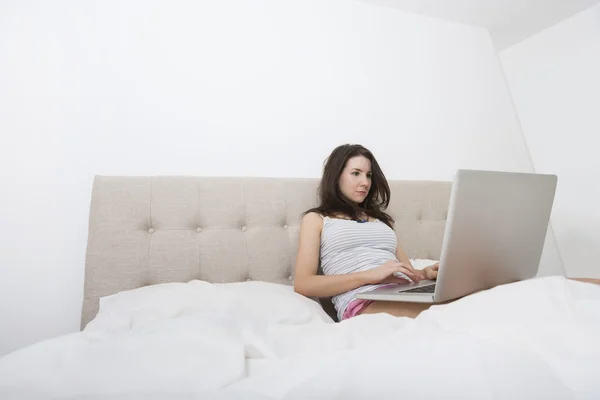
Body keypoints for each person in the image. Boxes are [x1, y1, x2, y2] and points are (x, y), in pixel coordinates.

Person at [293, 143, 600, 321]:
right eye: (356, 173)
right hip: (362, 301)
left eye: (369, 175)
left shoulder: (382, 221)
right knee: (472, 308)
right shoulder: (317, 219)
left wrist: (425, 275)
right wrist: (369, 276)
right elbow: (304, 284)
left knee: (499, 289)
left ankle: (576, 286)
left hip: (401, 290)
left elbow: (407, 271)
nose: (364, 182)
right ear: (337, 176)